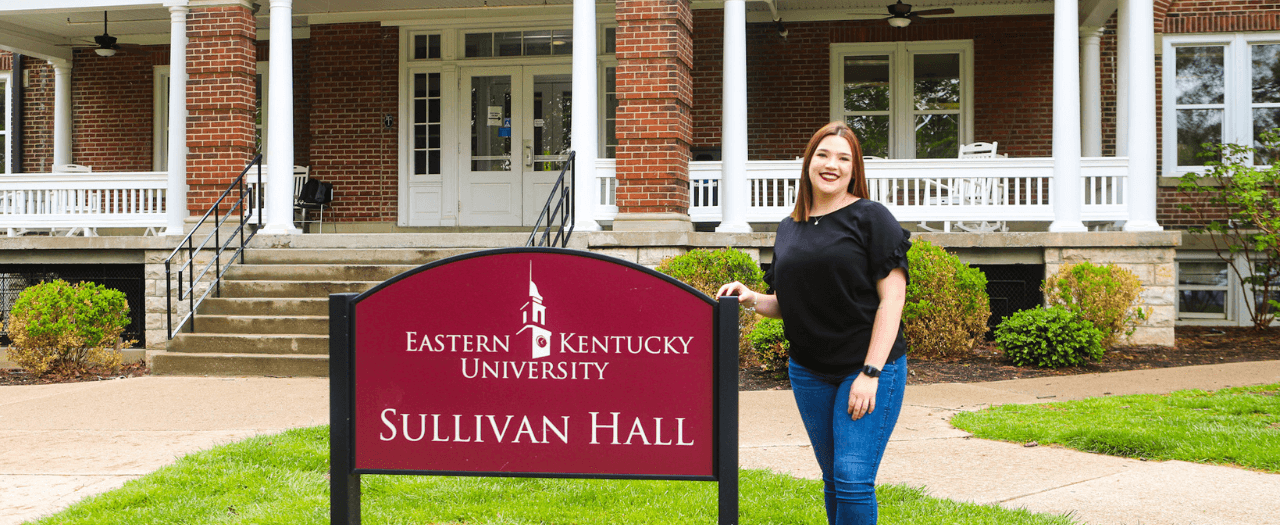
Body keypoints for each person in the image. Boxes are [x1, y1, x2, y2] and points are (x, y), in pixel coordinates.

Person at [716, 121, 911, 525]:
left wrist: (870, 372)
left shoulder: (871, 217)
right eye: (823, 154)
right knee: (833, 478)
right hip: (809, 371)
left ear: (855, 169)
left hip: (868, 367)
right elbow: (790, 303)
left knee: (853, 478)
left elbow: (892, 299)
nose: (831, 165)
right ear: (808, 162)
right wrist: (752, 298)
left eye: (844, 158)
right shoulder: (790, 228)